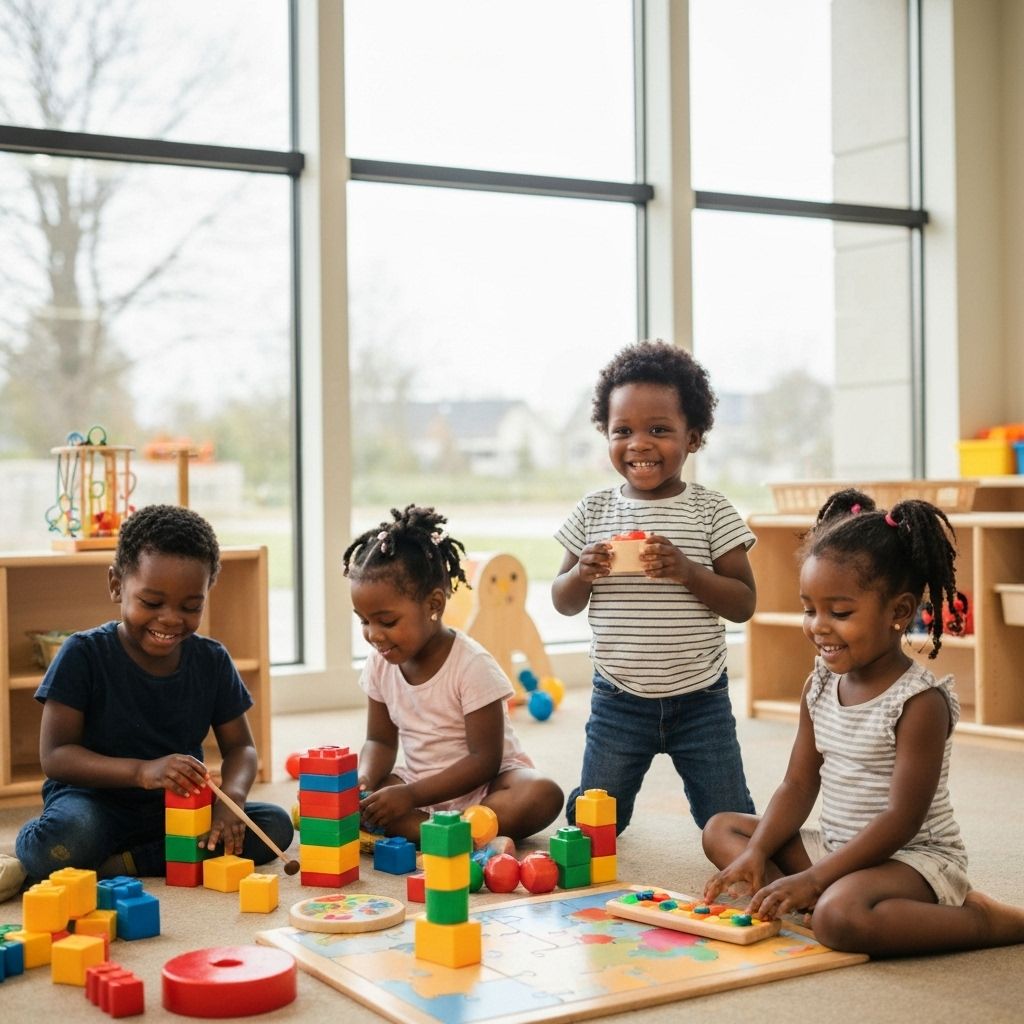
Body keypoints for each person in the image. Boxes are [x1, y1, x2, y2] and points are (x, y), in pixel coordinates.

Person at [702, 489, 1024, 956]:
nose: (818, 626)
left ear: (898, 612)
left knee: (839, 920)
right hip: (836, 847)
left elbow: (902, 819)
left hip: (911, 858)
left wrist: (815, 878)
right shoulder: (818, 685)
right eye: (809, 609)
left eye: (841, 612)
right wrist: (757, 853)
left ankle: (982, 920)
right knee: (722, 831)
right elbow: (797, 783)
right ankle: (799, 894)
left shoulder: (920, 702)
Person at [14, 504, 293, 884]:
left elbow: (242, 749)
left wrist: (234, 801)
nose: (171, 619)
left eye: (191, 606)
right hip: (93, 801)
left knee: (273, 826)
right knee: (67, 840)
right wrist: (143, 771)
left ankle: (121, 864)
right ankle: (114, 855)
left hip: (178, 807)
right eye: (151, 602)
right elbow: (56, 757)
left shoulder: (211, 660)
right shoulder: (83, 653)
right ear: (116, 585)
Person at [552, 339, 756, 834]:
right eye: (623, 430)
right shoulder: (593, 511)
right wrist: (582, 573)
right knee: (595, 825)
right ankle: (589, 794)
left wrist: (688, 571)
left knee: (730, 823)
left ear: (694, 437)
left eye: (659, 430)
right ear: (606, 434)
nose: (639, 444)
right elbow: (562, 601)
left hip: (700, 699)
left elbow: (744, 603)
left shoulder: (710, 511)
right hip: (618, 700)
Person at [344, 504, 564, 845]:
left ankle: (449, 833)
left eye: (386, 621)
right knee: (381, 798)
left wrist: (412, 797)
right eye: (363, 620)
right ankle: (467, 836)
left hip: (489, 786)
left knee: (542, 792)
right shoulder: (379, 664)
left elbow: (485, 760)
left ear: (434, 605)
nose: (374, 634)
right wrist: (364, 781)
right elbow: (380, 741)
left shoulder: (473, 665)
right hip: (419, 786)